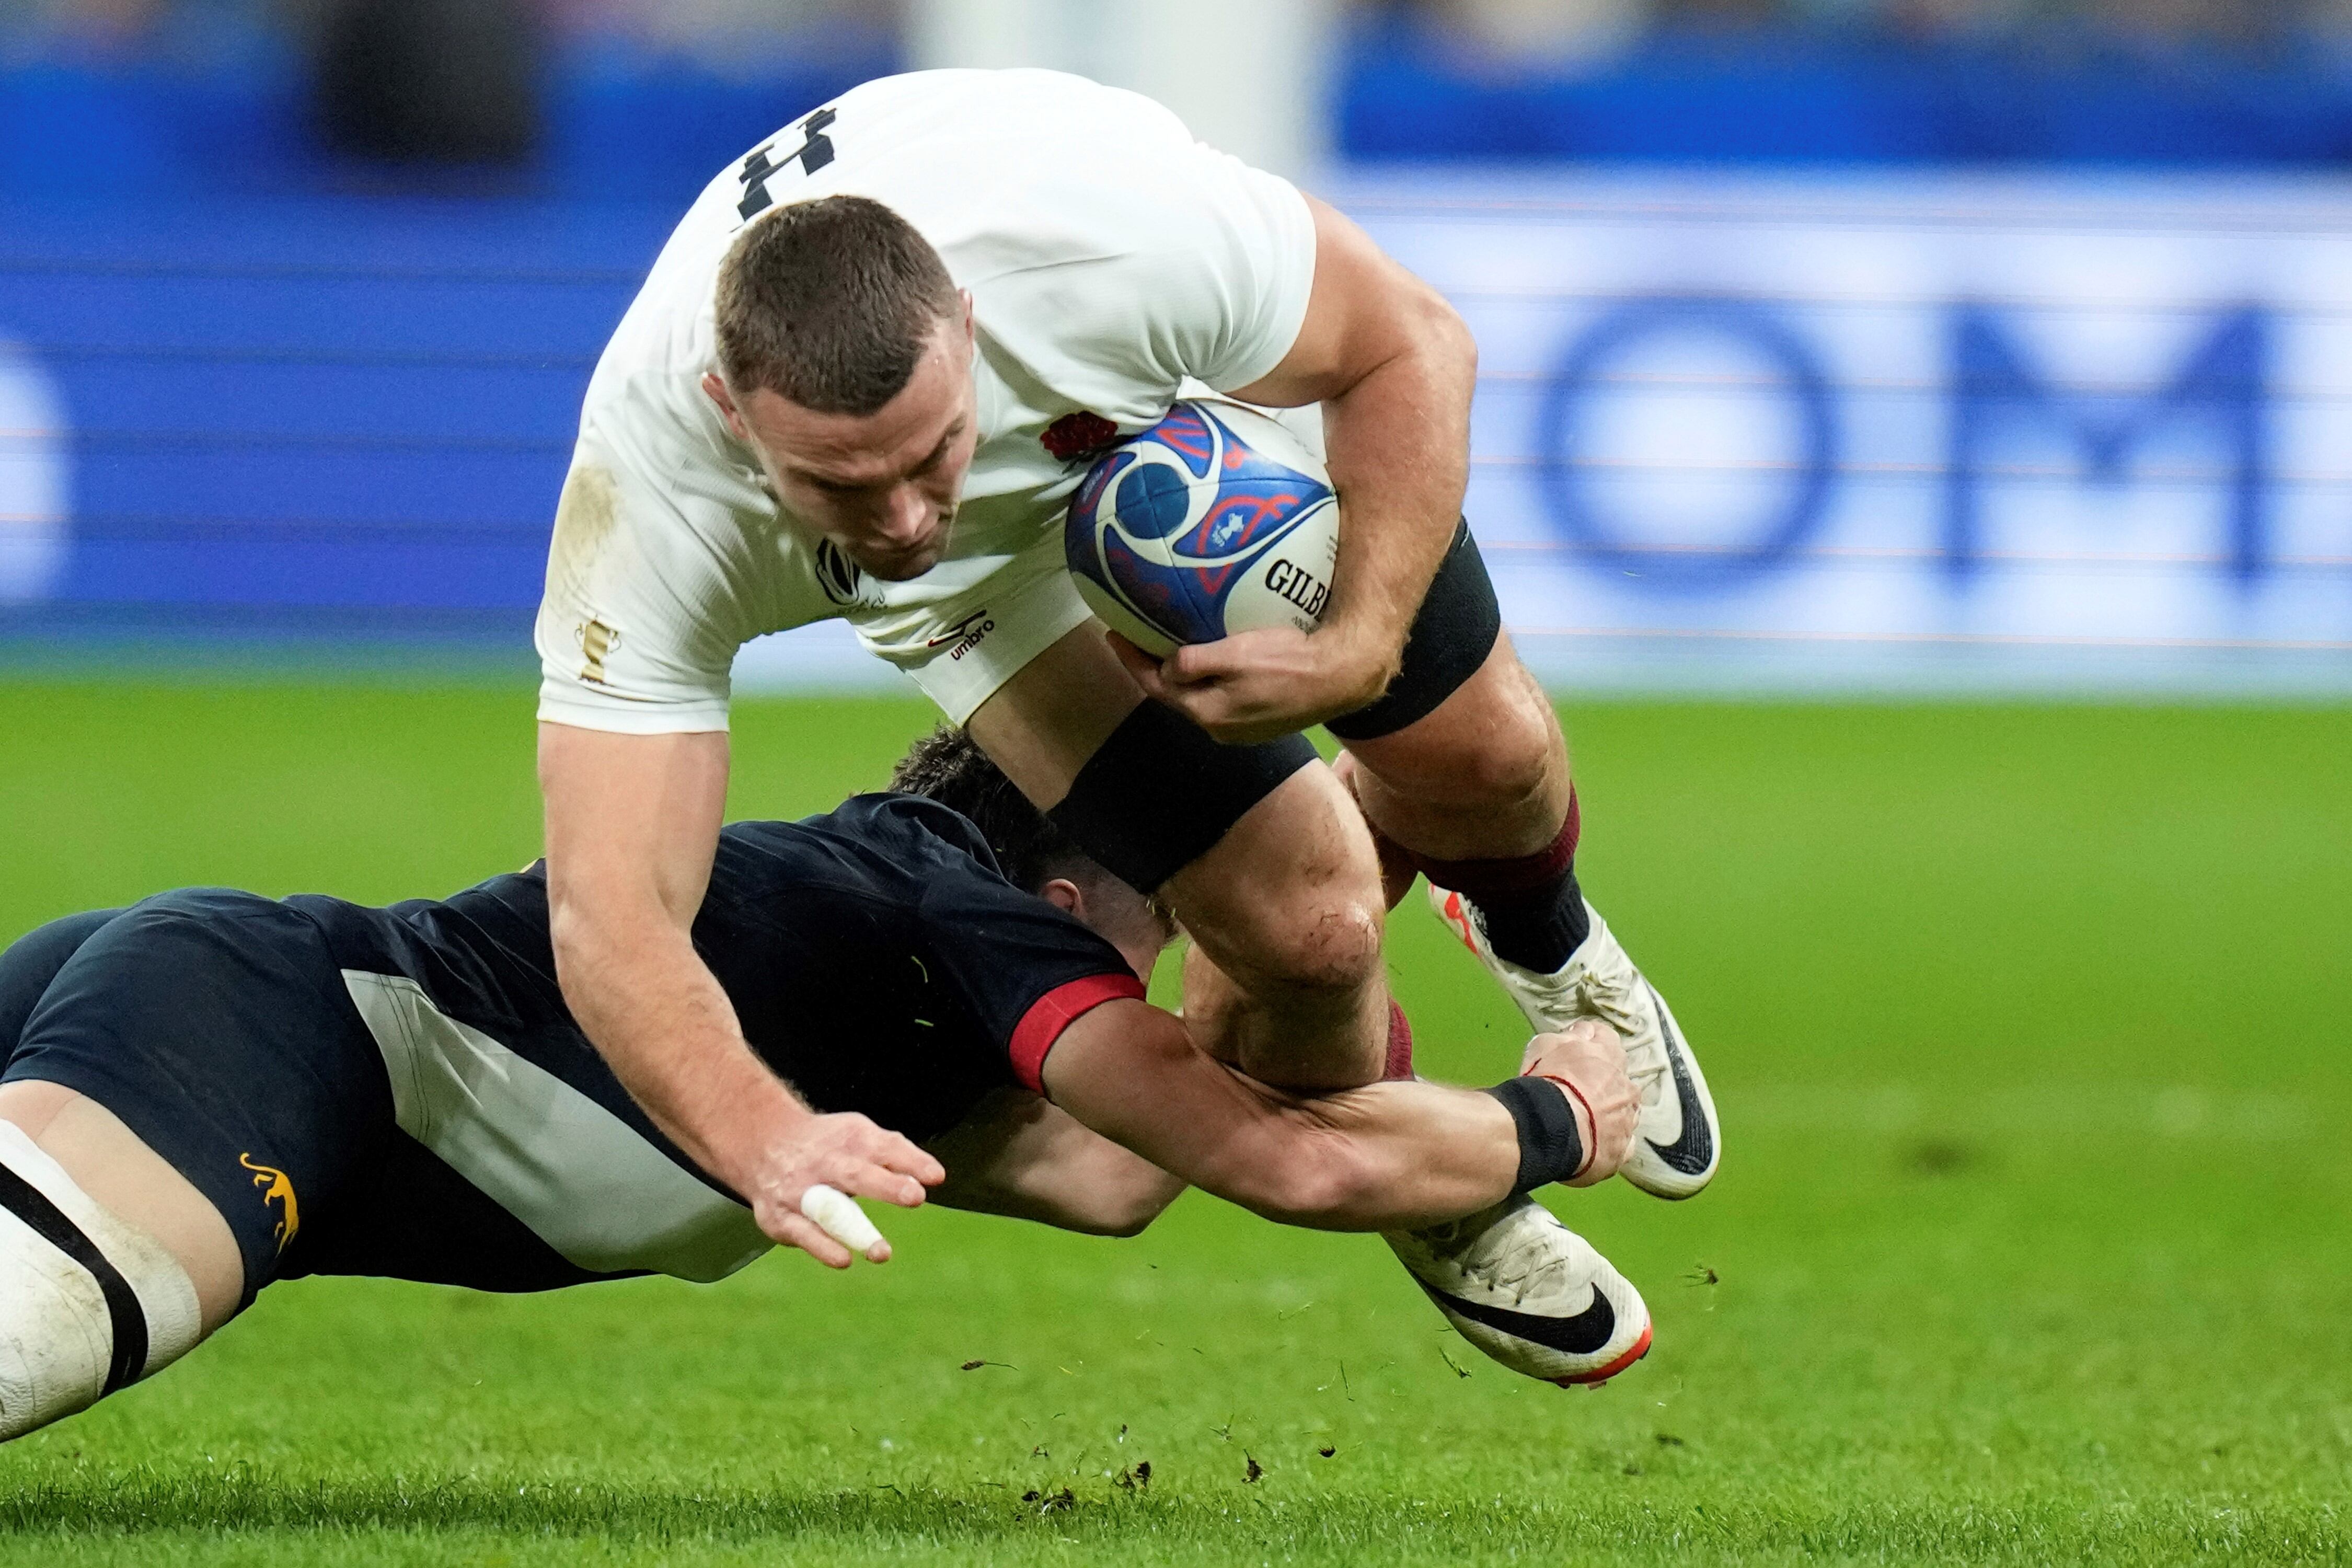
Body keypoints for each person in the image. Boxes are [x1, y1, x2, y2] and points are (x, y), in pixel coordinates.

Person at [532, 68, 1720, 1277]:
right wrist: (766, 1140)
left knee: (1489, 763)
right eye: (840, 486)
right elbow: (610, 920)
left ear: (970, 330)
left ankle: (1552, 945)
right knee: (1311, 930)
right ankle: (1440, 1194)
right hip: (977, 599)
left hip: (1149, 426)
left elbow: (1412, 341)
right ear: (730, 411)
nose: (898, 516)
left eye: (931, 454)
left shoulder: (1101, 248)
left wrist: (1356, 646)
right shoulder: (649, 502)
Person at [0, 738, 1652, 1445]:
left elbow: (1126, 1178)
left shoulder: (895, 991)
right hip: (265, 1026)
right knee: (30, 1338)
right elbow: (1276, 1165)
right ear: (1068, 911)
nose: (1161, 977)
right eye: (1170, 927)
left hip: (224, 1000)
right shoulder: (954, 915)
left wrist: (1341, 893)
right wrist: (1563, 1114)